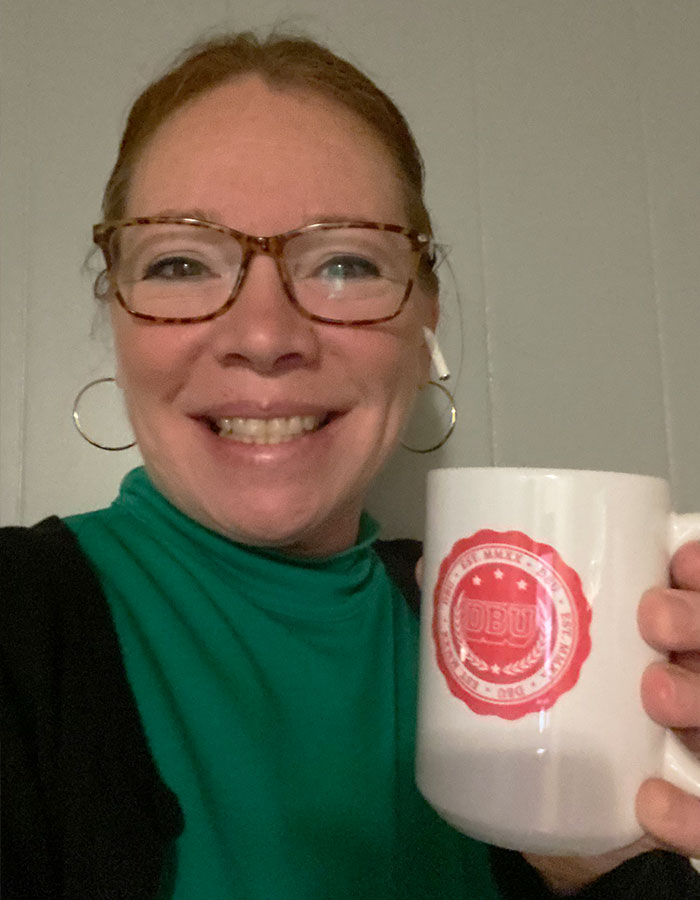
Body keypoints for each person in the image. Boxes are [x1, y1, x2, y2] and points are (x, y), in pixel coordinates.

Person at [1, 30, 699, 900]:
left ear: (424, 317)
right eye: (180, 262)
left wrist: (608, 857)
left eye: (344, 263)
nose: (264, 338)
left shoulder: (493, 623)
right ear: (117, 311)